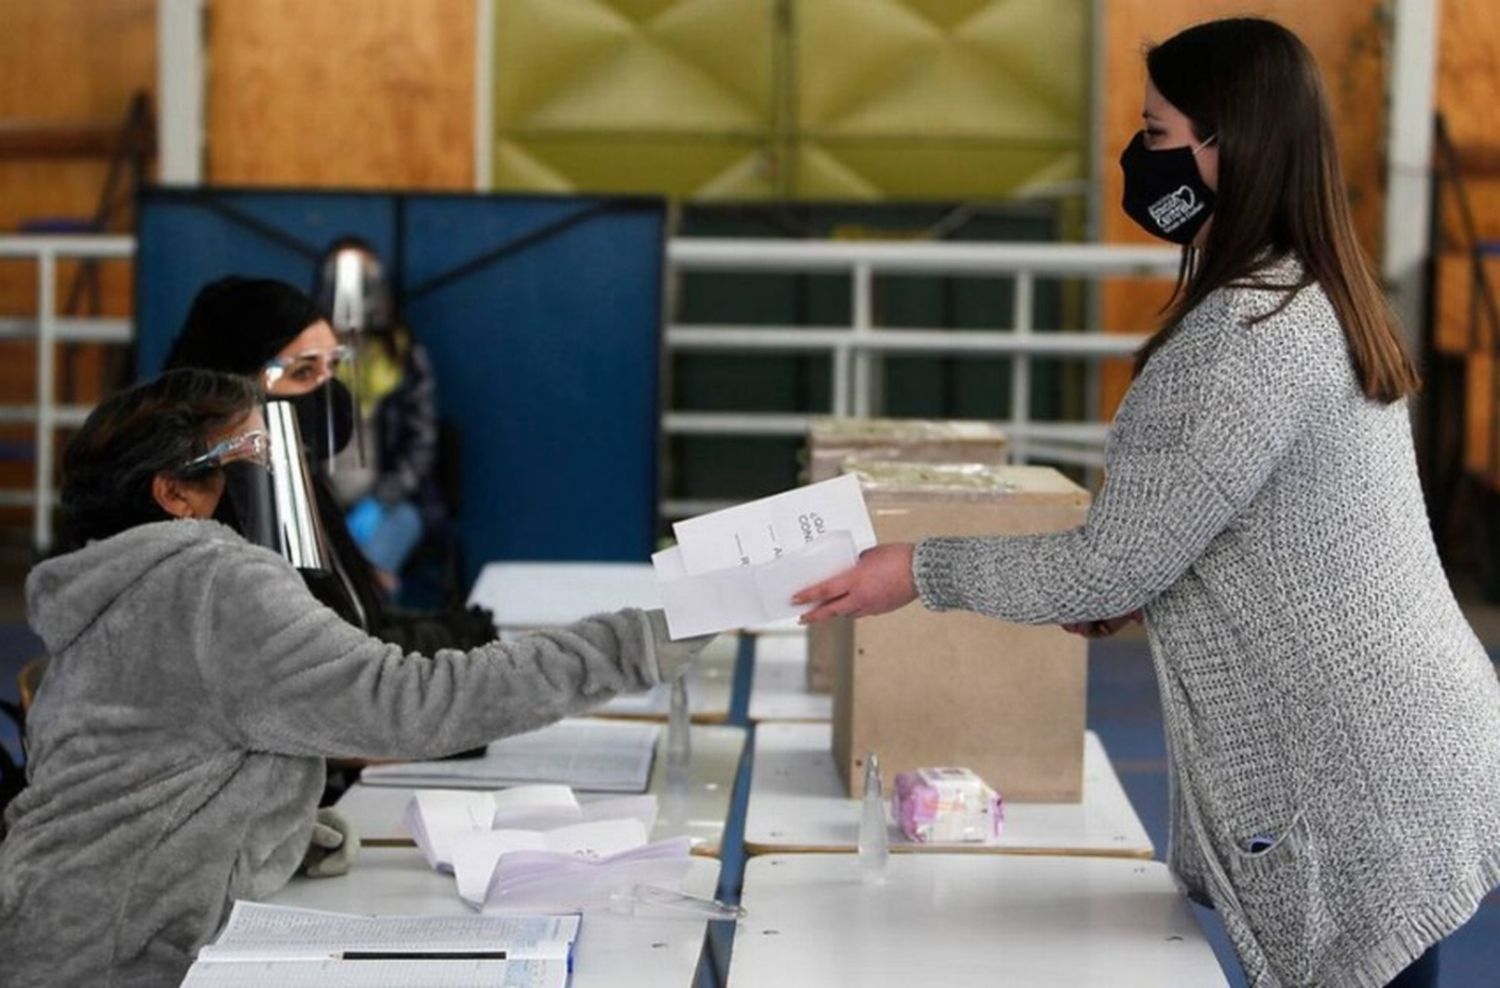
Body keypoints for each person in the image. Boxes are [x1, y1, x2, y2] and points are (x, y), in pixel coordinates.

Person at [795, 18, 1500, 988]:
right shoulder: (1306, 293)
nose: (1140, 158)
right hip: (1410, 744)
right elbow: (1234, 530)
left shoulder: (1243, 335)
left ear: (1228, 144)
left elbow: (1109, 563)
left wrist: (914, 568)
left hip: (1358, 775)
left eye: (1157, 134)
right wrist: (1144, 581)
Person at [0, 368, 710, 986]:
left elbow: (139, 765)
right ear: (175, 494)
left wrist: (260, 827)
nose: (279, 468)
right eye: (255, 452)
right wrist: (631, 644)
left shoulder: (116, 584)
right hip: (121, 962)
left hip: (51, 931)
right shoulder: (211, 580)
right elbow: (412, 705)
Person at [165, 276, 492, 655]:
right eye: (304, 372)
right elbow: (327, 658)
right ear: (233, 381)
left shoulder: (302, 479)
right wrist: (458, 639)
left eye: (332, 367)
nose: (327, 389)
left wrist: (456, 632)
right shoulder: (214, 503)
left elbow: (359, 621)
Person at [313, 237, 443, 592]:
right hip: (323, 501)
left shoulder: (404, 356)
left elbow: (421, 442)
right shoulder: (308, 360)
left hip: (390, 504)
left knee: (371, 566)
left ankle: (370, 612)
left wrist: (383, 498)